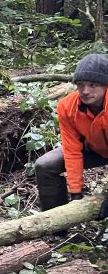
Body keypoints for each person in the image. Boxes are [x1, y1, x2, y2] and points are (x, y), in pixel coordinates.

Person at [35, 53, 108, 212]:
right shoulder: (67, 106)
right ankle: (55, 226)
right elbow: (72, 150)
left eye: (93, 85)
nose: (85, 91)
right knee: (45, 165)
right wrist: (76, 193)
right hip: (94, 148)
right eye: (80, 84)